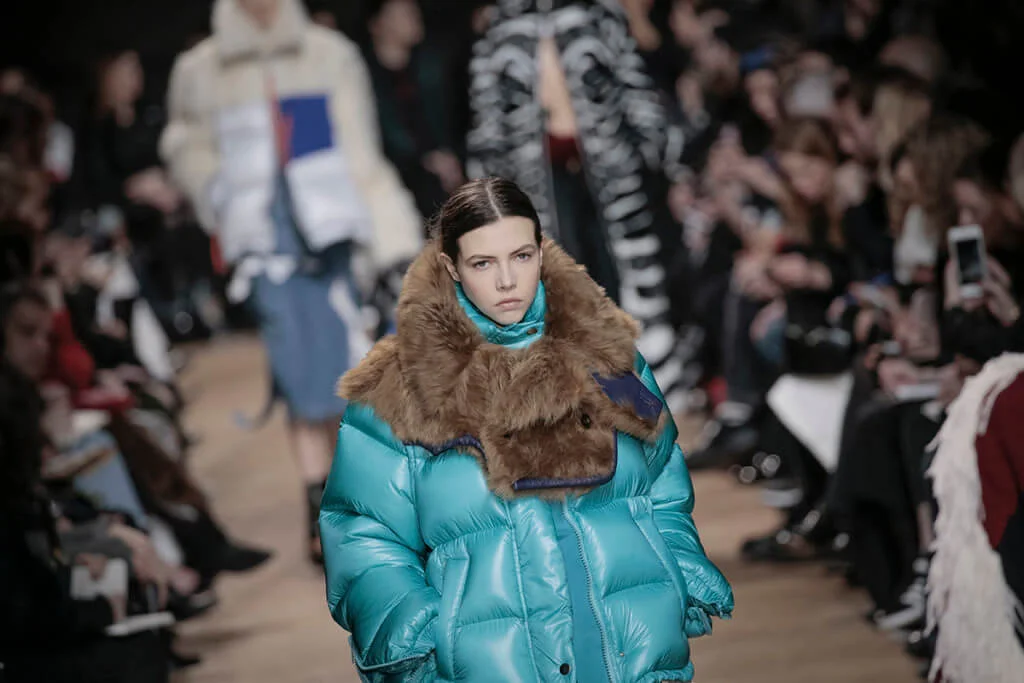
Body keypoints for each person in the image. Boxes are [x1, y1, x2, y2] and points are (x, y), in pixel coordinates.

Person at [320, 178, 733, 683]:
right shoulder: (401, 390)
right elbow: (362, 532)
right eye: (482, 263)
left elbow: (662, 476)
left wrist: (677, 571)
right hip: (492, 662)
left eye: (520, 256)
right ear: (451, 267)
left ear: (541, 249)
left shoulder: (606, 358)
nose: (507, 281)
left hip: (633, 641)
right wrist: (421, 637)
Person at [159, 0, 422, 563]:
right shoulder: (201, 70)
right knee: (300, 374)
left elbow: (361, 155)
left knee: (352, 371)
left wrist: (391, 239)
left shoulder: (328, 55)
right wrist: (219, 193)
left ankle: (356, 502)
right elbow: (186, 146)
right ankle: (321, 508)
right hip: (265, 245)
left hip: (333, 237)